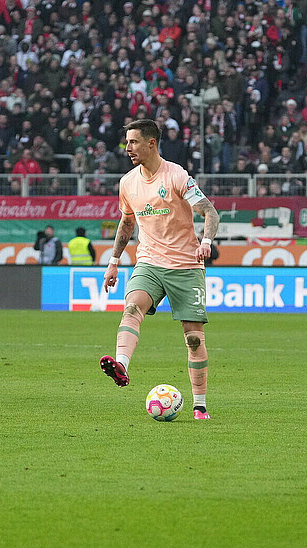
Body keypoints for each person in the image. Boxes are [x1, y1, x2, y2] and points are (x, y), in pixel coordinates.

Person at [100, 119, 220, 420]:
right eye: (127, 142)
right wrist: (113, 262)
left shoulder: (176, 175)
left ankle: (200, 404)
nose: (128, 148)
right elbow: (127, 223)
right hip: (149, 262)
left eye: (134, 142)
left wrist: (206, 241)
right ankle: (122, 367)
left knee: (194, 339)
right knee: (131, 309)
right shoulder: (127, 182)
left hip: (185, 266)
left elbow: (209, 211)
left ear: (151, 143)